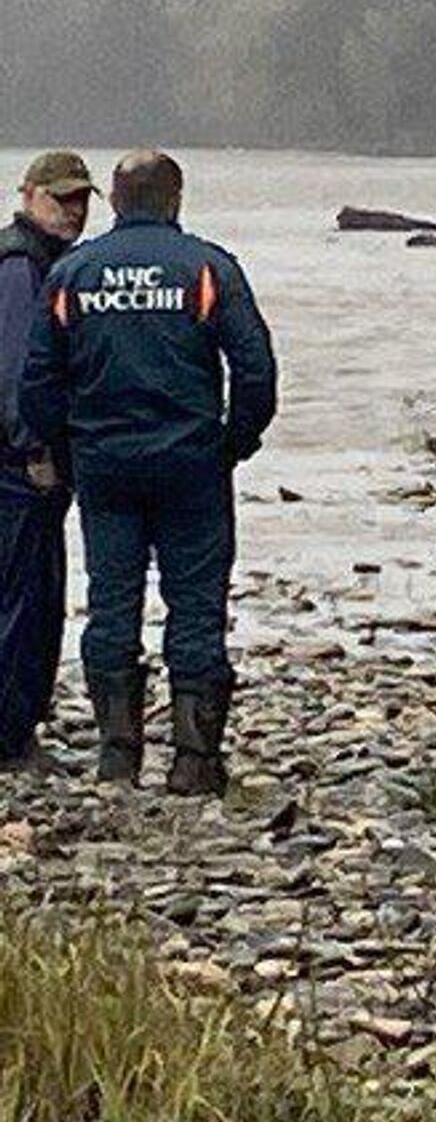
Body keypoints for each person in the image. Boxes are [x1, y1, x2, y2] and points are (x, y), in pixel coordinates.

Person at [20, 151, 277, 796]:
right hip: (191, 463)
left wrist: (69, 447)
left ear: (112, 198)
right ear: (175, 199)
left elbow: (37, 384)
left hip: (105, 467)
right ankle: (193, 761)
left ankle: (118, 755)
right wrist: (233, 443)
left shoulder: (73, 275)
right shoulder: (209, 268)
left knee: (111, 602)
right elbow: (256, 370)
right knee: (195, 603)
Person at [0, 151, 95, 768]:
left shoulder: (46, 263)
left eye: (82, 200)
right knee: (20, 599)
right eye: (61, 200)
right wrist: (34, 449)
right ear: (28, 194)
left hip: (25, 462)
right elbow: (14, 369)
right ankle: (8, 739)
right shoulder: (19, 266)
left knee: (36, 594)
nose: (73, 212)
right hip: (15, 468)